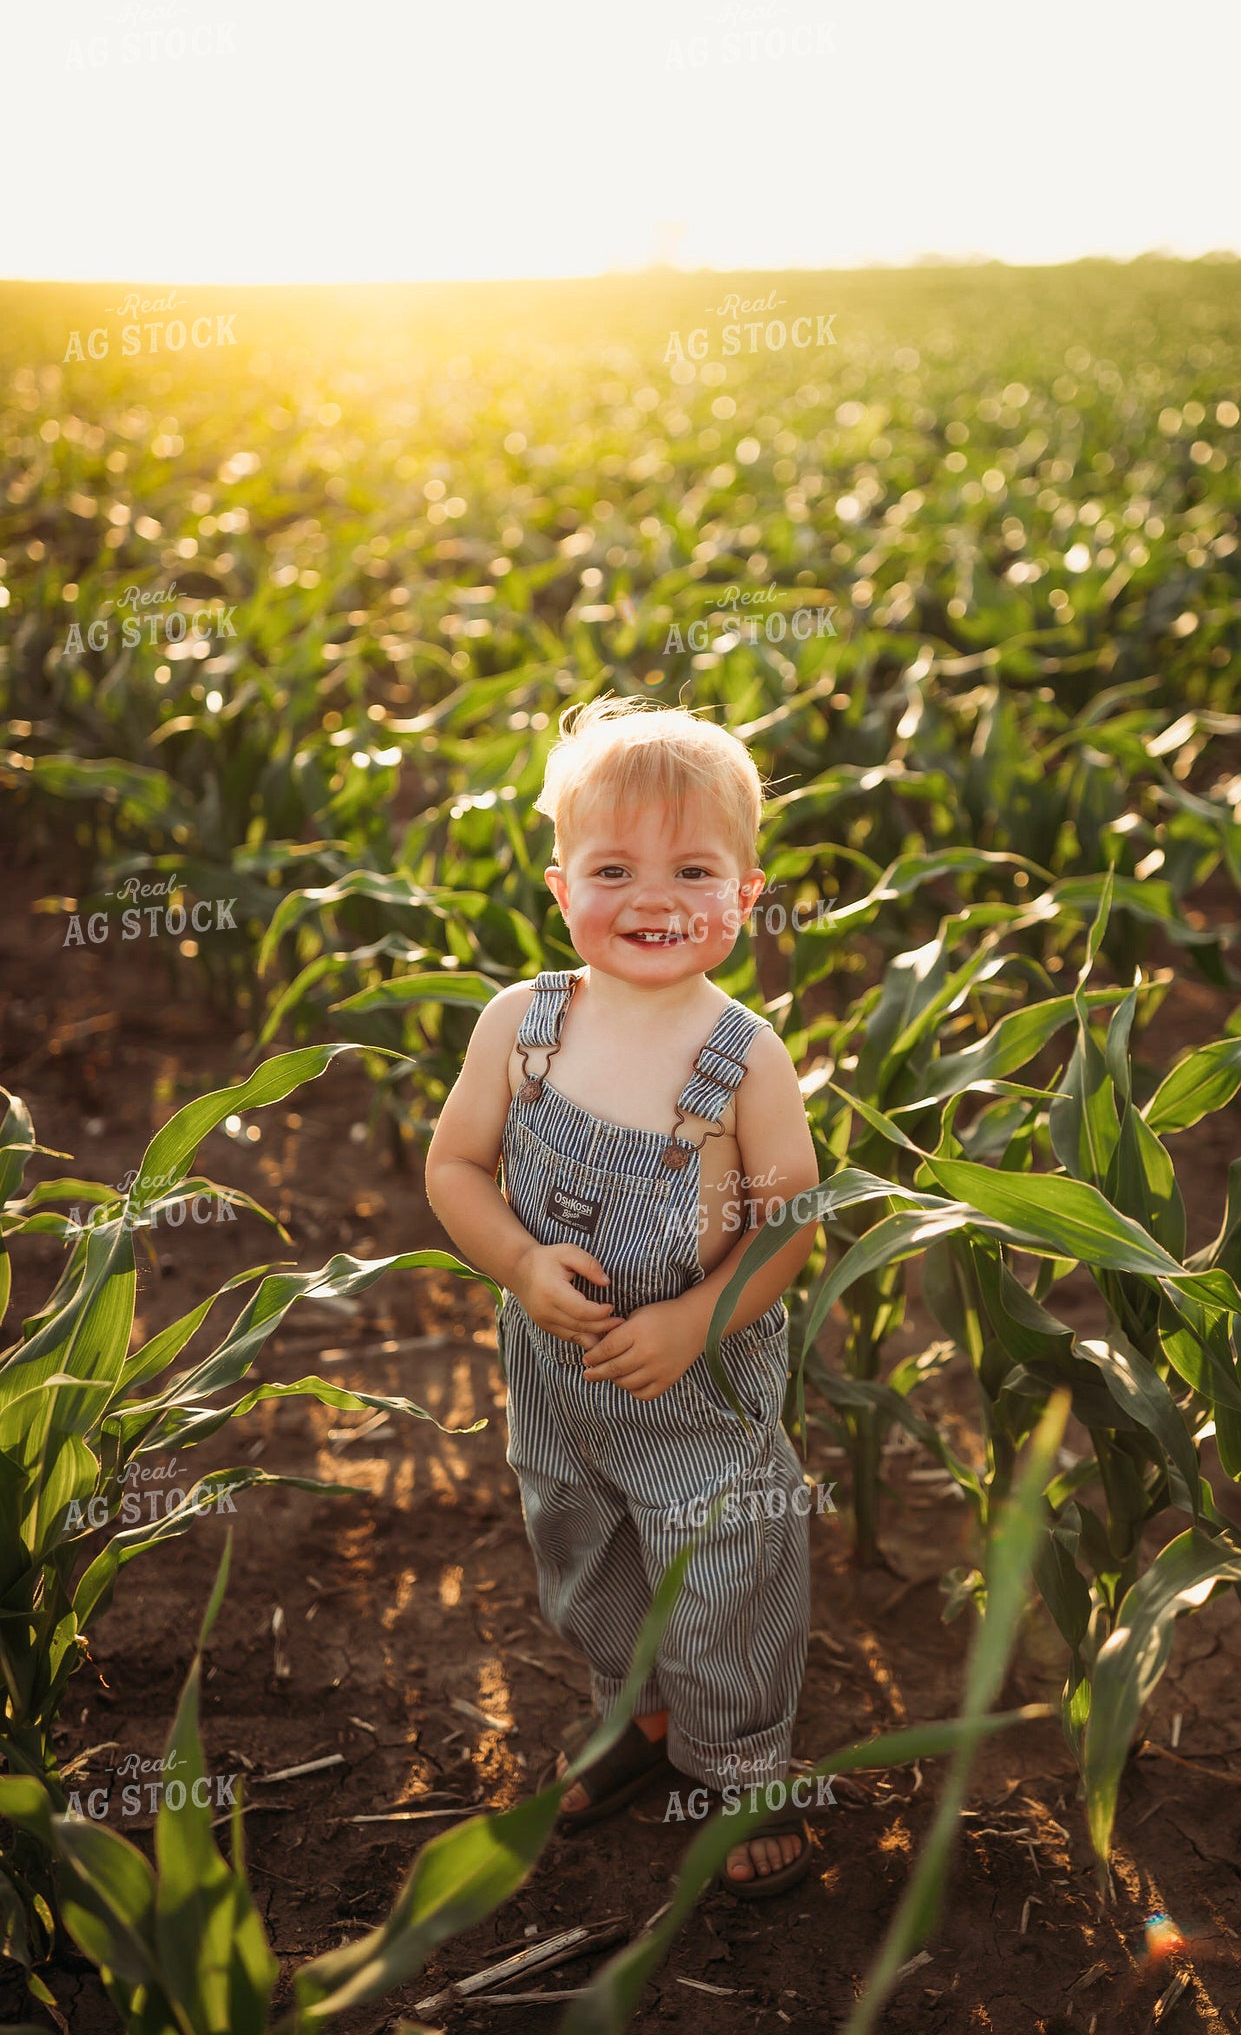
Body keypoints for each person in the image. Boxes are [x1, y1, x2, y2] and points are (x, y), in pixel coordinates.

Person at [426, 694, 823, 1895]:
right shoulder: (523, 1028)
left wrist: (697, 1316)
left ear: (745, 898)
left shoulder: (742, 1054)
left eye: (693, 869)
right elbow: (453, 1168)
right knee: (585, 1557)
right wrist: (519, 1263)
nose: (653, 899)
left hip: (696, 1383)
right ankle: (641, 1723)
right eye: (615, 868)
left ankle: (740, 1769)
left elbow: (786, 1220)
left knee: (721, 1575)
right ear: (561, 890)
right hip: (559, 1380)